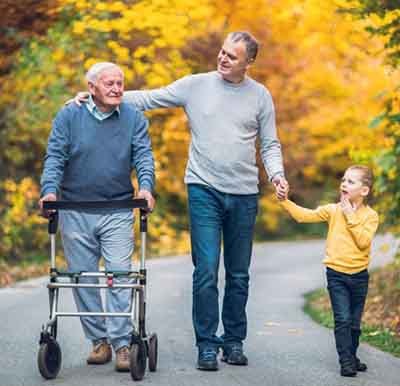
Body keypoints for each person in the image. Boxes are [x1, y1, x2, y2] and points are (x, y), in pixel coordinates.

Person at [74, 31, 287, 371]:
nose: (222, 58)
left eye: (232, 56)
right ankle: (206, 344)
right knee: (205, 271)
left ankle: (233, 341)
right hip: (203, 188)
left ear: (249, 62)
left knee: (239, 274)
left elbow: (270, 143)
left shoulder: (260, 96)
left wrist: (276, 174)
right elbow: (149, 99)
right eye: (221, 52)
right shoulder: (195, 85)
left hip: (245, 193)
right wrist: (99, 95)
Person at [40, 62, 155, 372]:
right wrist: (49, 191)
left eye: (120, 83)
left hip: (118, 208)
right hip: (74, 208)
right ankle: (99, 341)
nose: (117, 88)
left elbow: (143, 155)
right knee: (82, 277)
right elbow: (55, 156)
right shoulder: (69, 115)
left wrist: (145, 188)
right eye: (110, 83)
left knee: (119, 275)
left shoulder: (133, 118)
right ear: (91, 88)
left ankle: (121, 345)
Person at [279, 165, 379, 377]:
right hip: (336, 274)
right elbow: (304, 216)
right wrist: (284, 201)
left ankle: (351, 355)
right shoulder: (333, 210)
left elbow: (363, 242)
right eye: (343, 179)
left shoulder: (371, 216)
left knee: (354, 323)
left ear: (364, 190)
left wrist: (351, 215)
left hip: (360, 276)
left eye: (351, 181)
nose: (344, 184)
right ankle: (346, 362)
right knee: (342, 319)